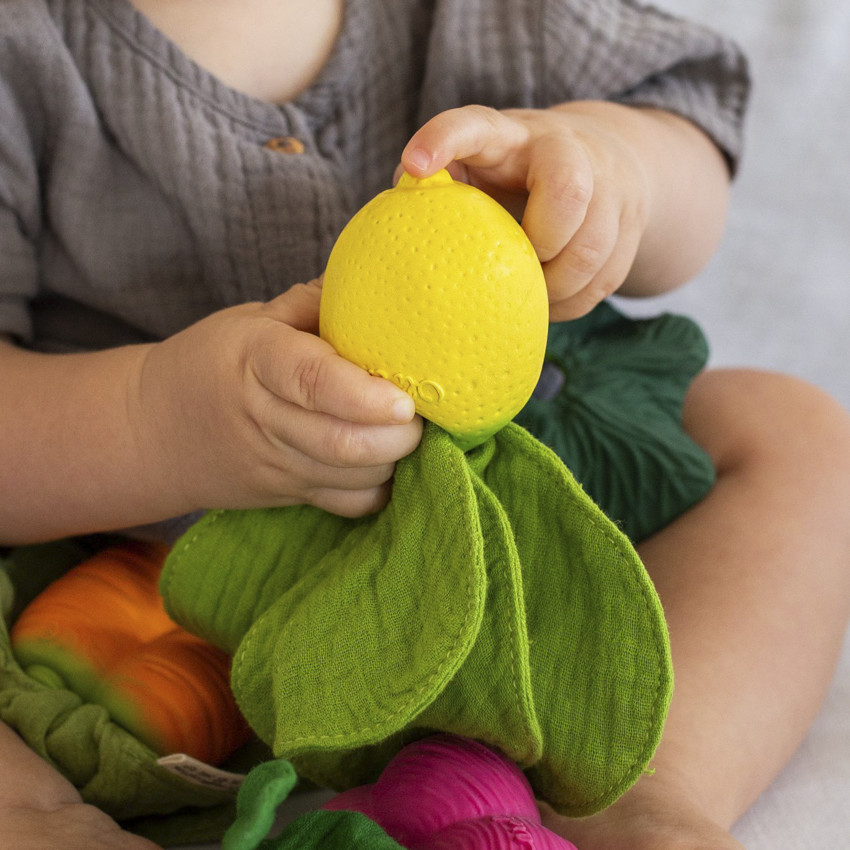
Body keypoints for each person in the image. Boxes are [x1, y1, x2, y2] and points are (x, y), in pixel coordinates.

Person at [1, 1, 849, 848]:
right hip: (142, 594)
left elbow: (688, 132)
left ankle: (646, 789)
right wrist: (160, 425)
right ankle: (45, 819)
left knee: (791, 430)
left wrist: (611, 165)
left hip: (515, 530)